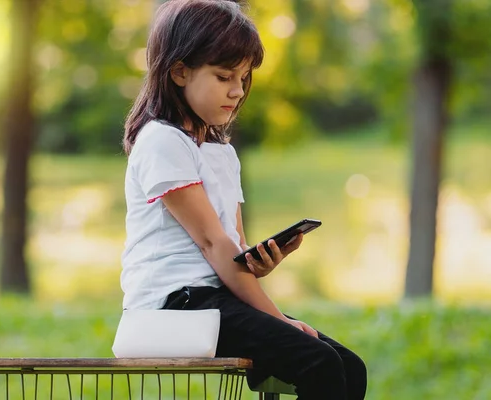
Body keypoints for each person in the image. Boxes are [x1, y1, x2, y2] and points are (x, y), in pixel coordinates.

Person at [120, 1, 367, 398]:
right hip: (175, 303)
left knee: (349, 367)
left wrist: (260, 262)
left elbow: (230, 251)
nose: (237, 91)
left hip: (216, 296)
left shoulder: (221, 152)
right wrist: (277, 319)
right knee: (317, 361)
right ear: (179, 71)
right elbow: (211, 244)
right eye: (223, 77)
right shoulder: (161, 141)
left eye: (243, 77)